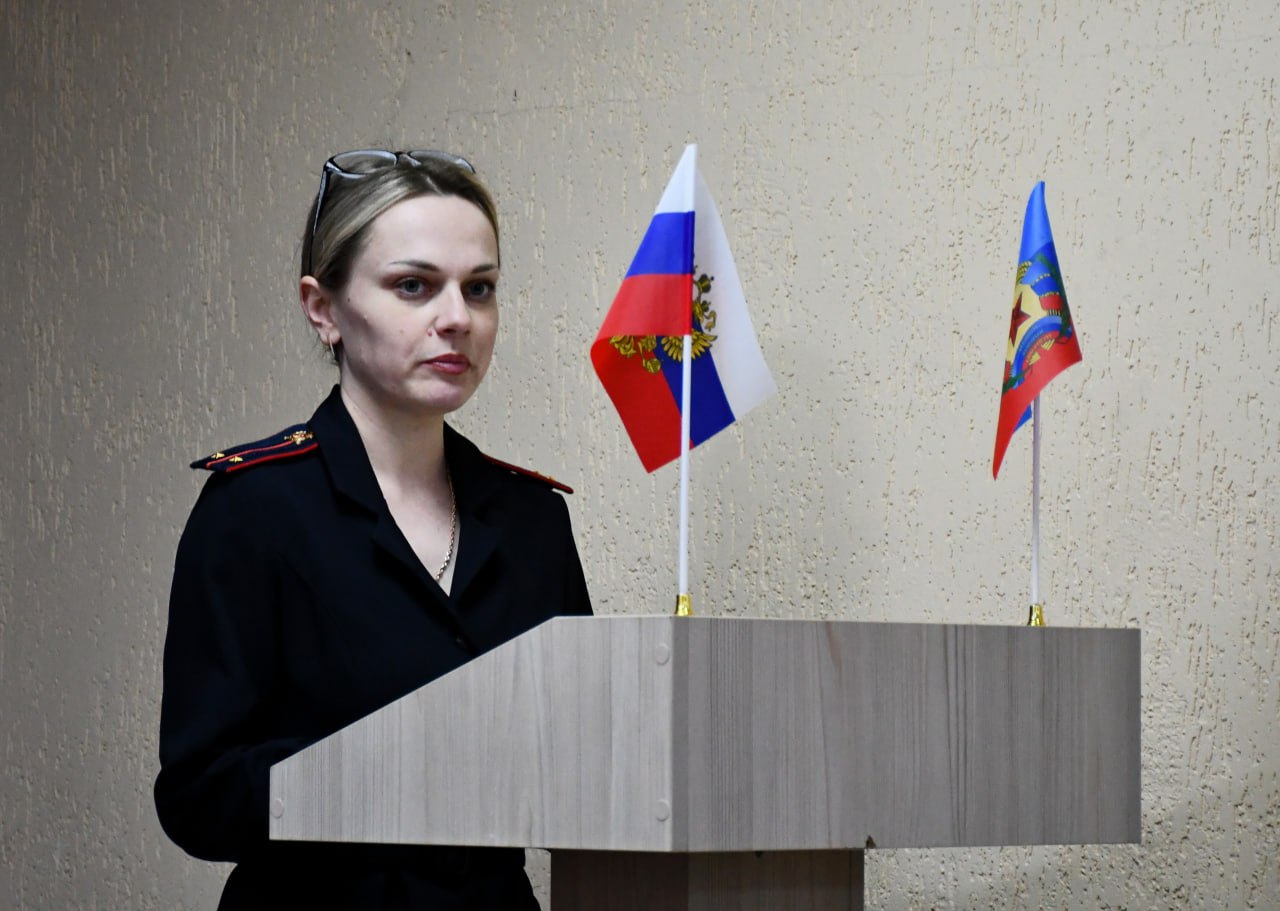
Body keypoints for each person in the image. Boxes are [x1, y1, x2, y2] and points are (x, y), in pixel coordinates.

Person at [155, 149, 592, 909]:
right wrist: (393, 768)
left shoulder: (533, 518)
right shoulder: (255, 506)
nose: (456, 318)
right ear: (322, 308)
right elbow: (200, 795)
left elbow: (584, 764)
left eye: (479, 288)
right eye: (413, 285)